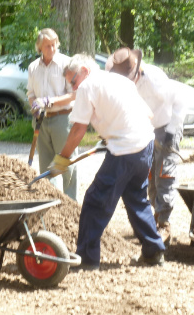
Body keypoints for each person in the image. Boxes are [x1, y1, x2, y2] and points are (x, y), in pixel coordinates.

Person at [49, 54, 165, 271]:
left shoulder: (87, 87)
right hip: (145, 145)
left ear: (84, 70)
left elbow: (78, 130)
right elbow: (147, 114)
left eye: (73, 81)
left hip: (125, 149)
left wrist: (62, 159)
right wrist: (111, 134)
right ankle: (154, 250)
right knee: (136, 198)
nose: (73, 87)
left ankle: (86, 258)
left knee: (94, 201)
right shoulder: (120, 80)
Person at [106, 47, 185, 246]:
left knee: (164, 172)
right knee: (148, 173)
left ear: (137, 71)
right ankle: (154, 218)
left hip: (168, 124)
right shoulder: (124, 84)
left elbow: (179, 102)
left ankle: (164, 222)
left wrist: (171, 131)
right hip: (146, 128)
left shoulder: (155, 80)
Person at [27, 28, 78, 199]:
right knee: (47, 166)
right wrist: (34, 105)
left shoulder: (66, 64)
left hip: (63, 119)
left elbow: (74, 93)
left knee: (66, 163)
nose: (51, 49)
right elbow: (31, 94)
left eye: (54, 44)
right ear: (39, 48)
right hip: (41, 121)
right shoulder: (33, 67)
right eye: (47, 46)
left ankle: (70, 202)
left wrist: (50, 102)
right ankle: (51, 203)